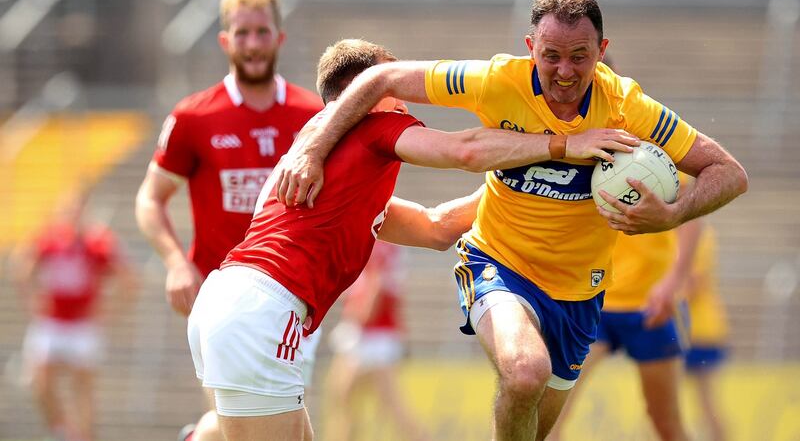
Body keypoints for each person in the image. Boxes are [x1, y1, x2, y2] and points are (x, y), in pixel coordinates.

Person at [275, 0, 748, 439]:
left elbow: (729, 171)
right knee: (525, 374)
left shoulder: (628, 108)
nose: (564, 70)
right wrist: (313, 150)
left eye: (579, 56)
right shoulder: (497, 81)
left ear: (602, 50)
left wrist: (672, 214)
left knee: (536, 429)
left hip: (580, 294)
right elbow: (381, 78)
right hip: (497, 264)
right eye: (550, 55)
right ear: (530, 48)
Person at [187, 37, 640, 441]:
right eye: (395, 86)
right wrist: (563, 145)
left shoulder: (334, 165)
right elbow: (464, 150)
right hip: (262, 310)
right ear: (364, 95)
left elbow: (436, 225)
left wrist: (544, 187)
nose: (406, 97)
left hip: (227, 300)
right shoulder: (371, 126)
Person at [134, 0, 323, 440]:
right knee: (251, 421)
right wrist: (176, 263)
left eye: (261, 32)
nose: (253, 44)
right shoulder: (194, 116)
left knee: (278, 425)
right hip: (222, 300)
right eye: (242, 33)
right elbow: (149, 199)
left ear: (279, 37)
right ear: (225, 40)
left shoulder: (313, 116)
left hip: (293, 299)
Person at [548, 218, 702, 441]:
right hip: (591, 301)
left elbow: (692, 218)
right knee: (552, 412)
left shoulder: (682, 181)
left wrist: (675, 279)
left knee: (666, 422)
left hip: (651, 305)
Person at [11, 192, 137, 441]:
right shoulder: (49, 238)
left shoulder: (97, 242)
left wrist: (110, 309)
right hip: (52, 321)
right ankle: (63, 432)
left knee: (82, 387)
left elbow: (128, 277)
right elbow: (22, 266)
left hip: (82, 324)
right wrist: (32, 298)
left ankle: (86, 436)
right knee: (40, 380)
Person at [324, 241, 431, 441]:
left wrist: (359, 316)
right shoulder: (388, 240)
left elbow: (377, 281)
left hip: (373, 333)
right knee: (344, 395)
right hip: (373, 332)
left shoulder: (381, 240)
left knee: (384, 402)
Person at [683, 223, 728, 441]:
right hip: (698, 328)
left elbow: (691, 284)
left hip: (695, 331)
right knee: (705, 403)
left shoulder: (697, 233)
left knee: (704, 403)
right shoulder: (699, 231)